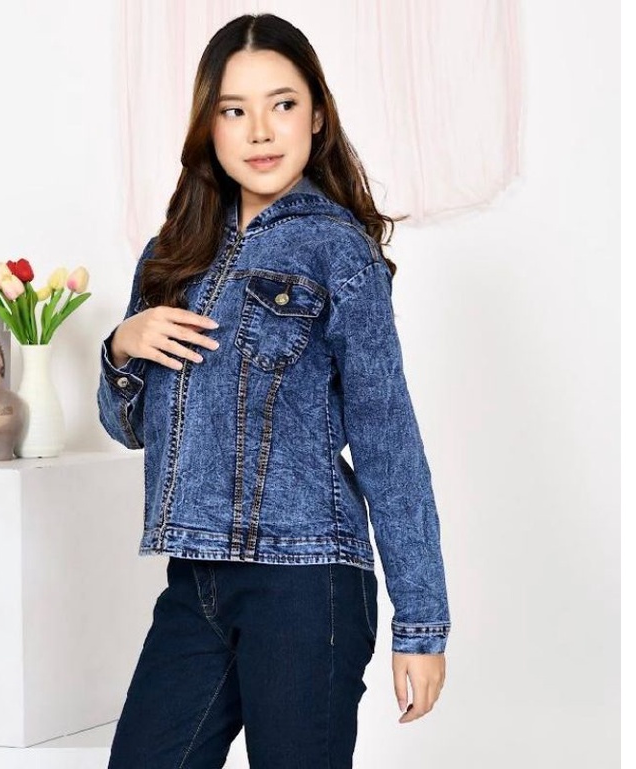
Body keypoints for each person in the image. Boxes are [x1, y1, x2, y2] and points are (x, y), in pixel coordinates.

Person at [97, 13, 451, 768]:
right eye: (234, 110)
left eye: (282, 103)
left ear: (316, 115)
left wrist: (420, 625)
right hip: (195, 576)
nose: (259, 130)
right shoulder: (171, 255)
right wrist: (122, 345)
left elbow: (388, 442)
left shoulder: (338, 251)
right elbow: (129, 429)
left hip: (307, 579)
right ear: (210, 126)